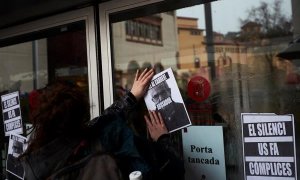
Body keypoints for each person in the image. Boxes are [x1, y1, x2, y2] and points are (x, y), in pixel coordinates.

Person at [20, 68, 184, 180]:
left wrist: (131, 97)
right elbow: (171, 172)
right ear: (82, 115)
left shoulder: (34, 164)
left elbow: (99, 123)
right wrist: (163, 141)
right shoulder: (106, 142)